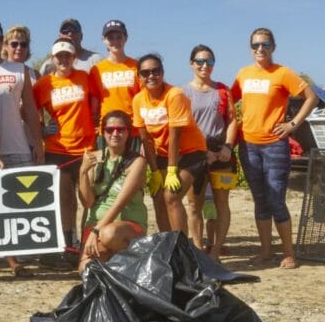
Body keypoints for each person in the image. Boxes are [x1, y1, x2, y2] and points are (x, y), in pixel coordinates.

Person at [230, 27, 319, 269]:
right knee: (260, 200)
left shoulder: (282, 73)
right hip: (248, 146)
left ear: (273, 47)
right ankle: (266, 251)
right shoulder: (243, 74)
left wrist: (292, 124)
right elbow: (229, 100)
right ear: (250, 48)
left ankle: (288, 253)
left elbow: (312, 97)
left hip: (274, 146)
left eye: (265, 45)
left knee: (276, 199)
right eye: (256, 45)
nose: (260, 49)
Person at [132, 53, 208, 244]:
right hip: (163, 154)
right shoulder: (138, 100)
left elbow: (175, 135)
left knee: (171, 196)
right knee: (158, 196)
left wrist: (172, 170)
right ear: (139, 76)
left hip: (192, 152)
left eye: (156, 71)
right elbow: (145, 139)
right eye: (145, 72)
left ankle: (181, 247)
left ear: (162, 72)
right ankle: (167, 244)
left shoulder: (175, 94)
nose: (151, 76)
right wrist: (155, 171)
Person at [34, 38, 99, 250]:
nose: (64, 60)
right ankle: (69, 244)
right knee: (65, 200)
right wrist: (42, 130)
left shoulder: (84, 77)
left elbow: (96, 105)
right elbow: (30, 112)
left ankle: (88, 242)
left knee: (88, 199)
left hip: (85, 149)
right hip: (57, 149)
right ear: (52, 58)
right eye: (59, 56)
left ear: (74, 57)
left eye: (68, 56)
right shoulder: (44, 84)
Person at [183, 44, 236, 258]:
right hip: (195, 154)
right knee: (194, 204)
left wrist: (228, 147)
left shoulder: (222, 90)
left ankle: (215, 250)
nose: (205, 66)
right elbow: (181, 126)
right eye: (200, 61)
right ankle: (197, 249)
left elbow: (232, 121)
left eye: (209, 61)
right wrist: (201, 152)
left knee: (221, 203)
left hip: (221, 154)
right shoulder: (182, 92)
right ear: (191, 64)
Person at [77, 110, 148, 270]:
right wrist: (83, 171)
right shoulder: (93, 158)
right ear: (103, 133)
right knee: (87, 271)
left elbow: (119, 204)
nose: (115, 133)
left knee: (109, 234)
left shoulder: (137, 162)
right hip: (97, 226)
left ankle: (134, 261)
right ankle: (115, 260)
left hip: (124, 228)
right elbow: (87, 202)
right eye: (110, 130)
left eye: (120, 129)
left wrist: (96, 231)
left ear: (128, 133)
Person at [0, 19, 44, 167]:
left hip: (17, 148)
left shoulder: (20, 70)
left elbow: (31, 109)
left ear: (2, 41)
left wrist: (38, 143)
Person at [89, 20, 140, 117]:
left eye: (119, 37)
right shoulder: (96, 70)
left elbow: (144, 98)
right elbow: (94, 107)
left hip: (133, 127)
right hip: (108, 127)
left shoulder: (137, 66)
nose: (115, 41)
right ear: (103, 39)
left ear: (126, 38)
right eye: (111, 38)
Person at [38, 18, 103, 75]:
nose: (70, 34)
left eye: (74, 30)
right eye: (65, 31)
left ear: (81, 36)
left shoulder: (97, 60)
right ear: (59, 37)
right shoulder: (48, 65)